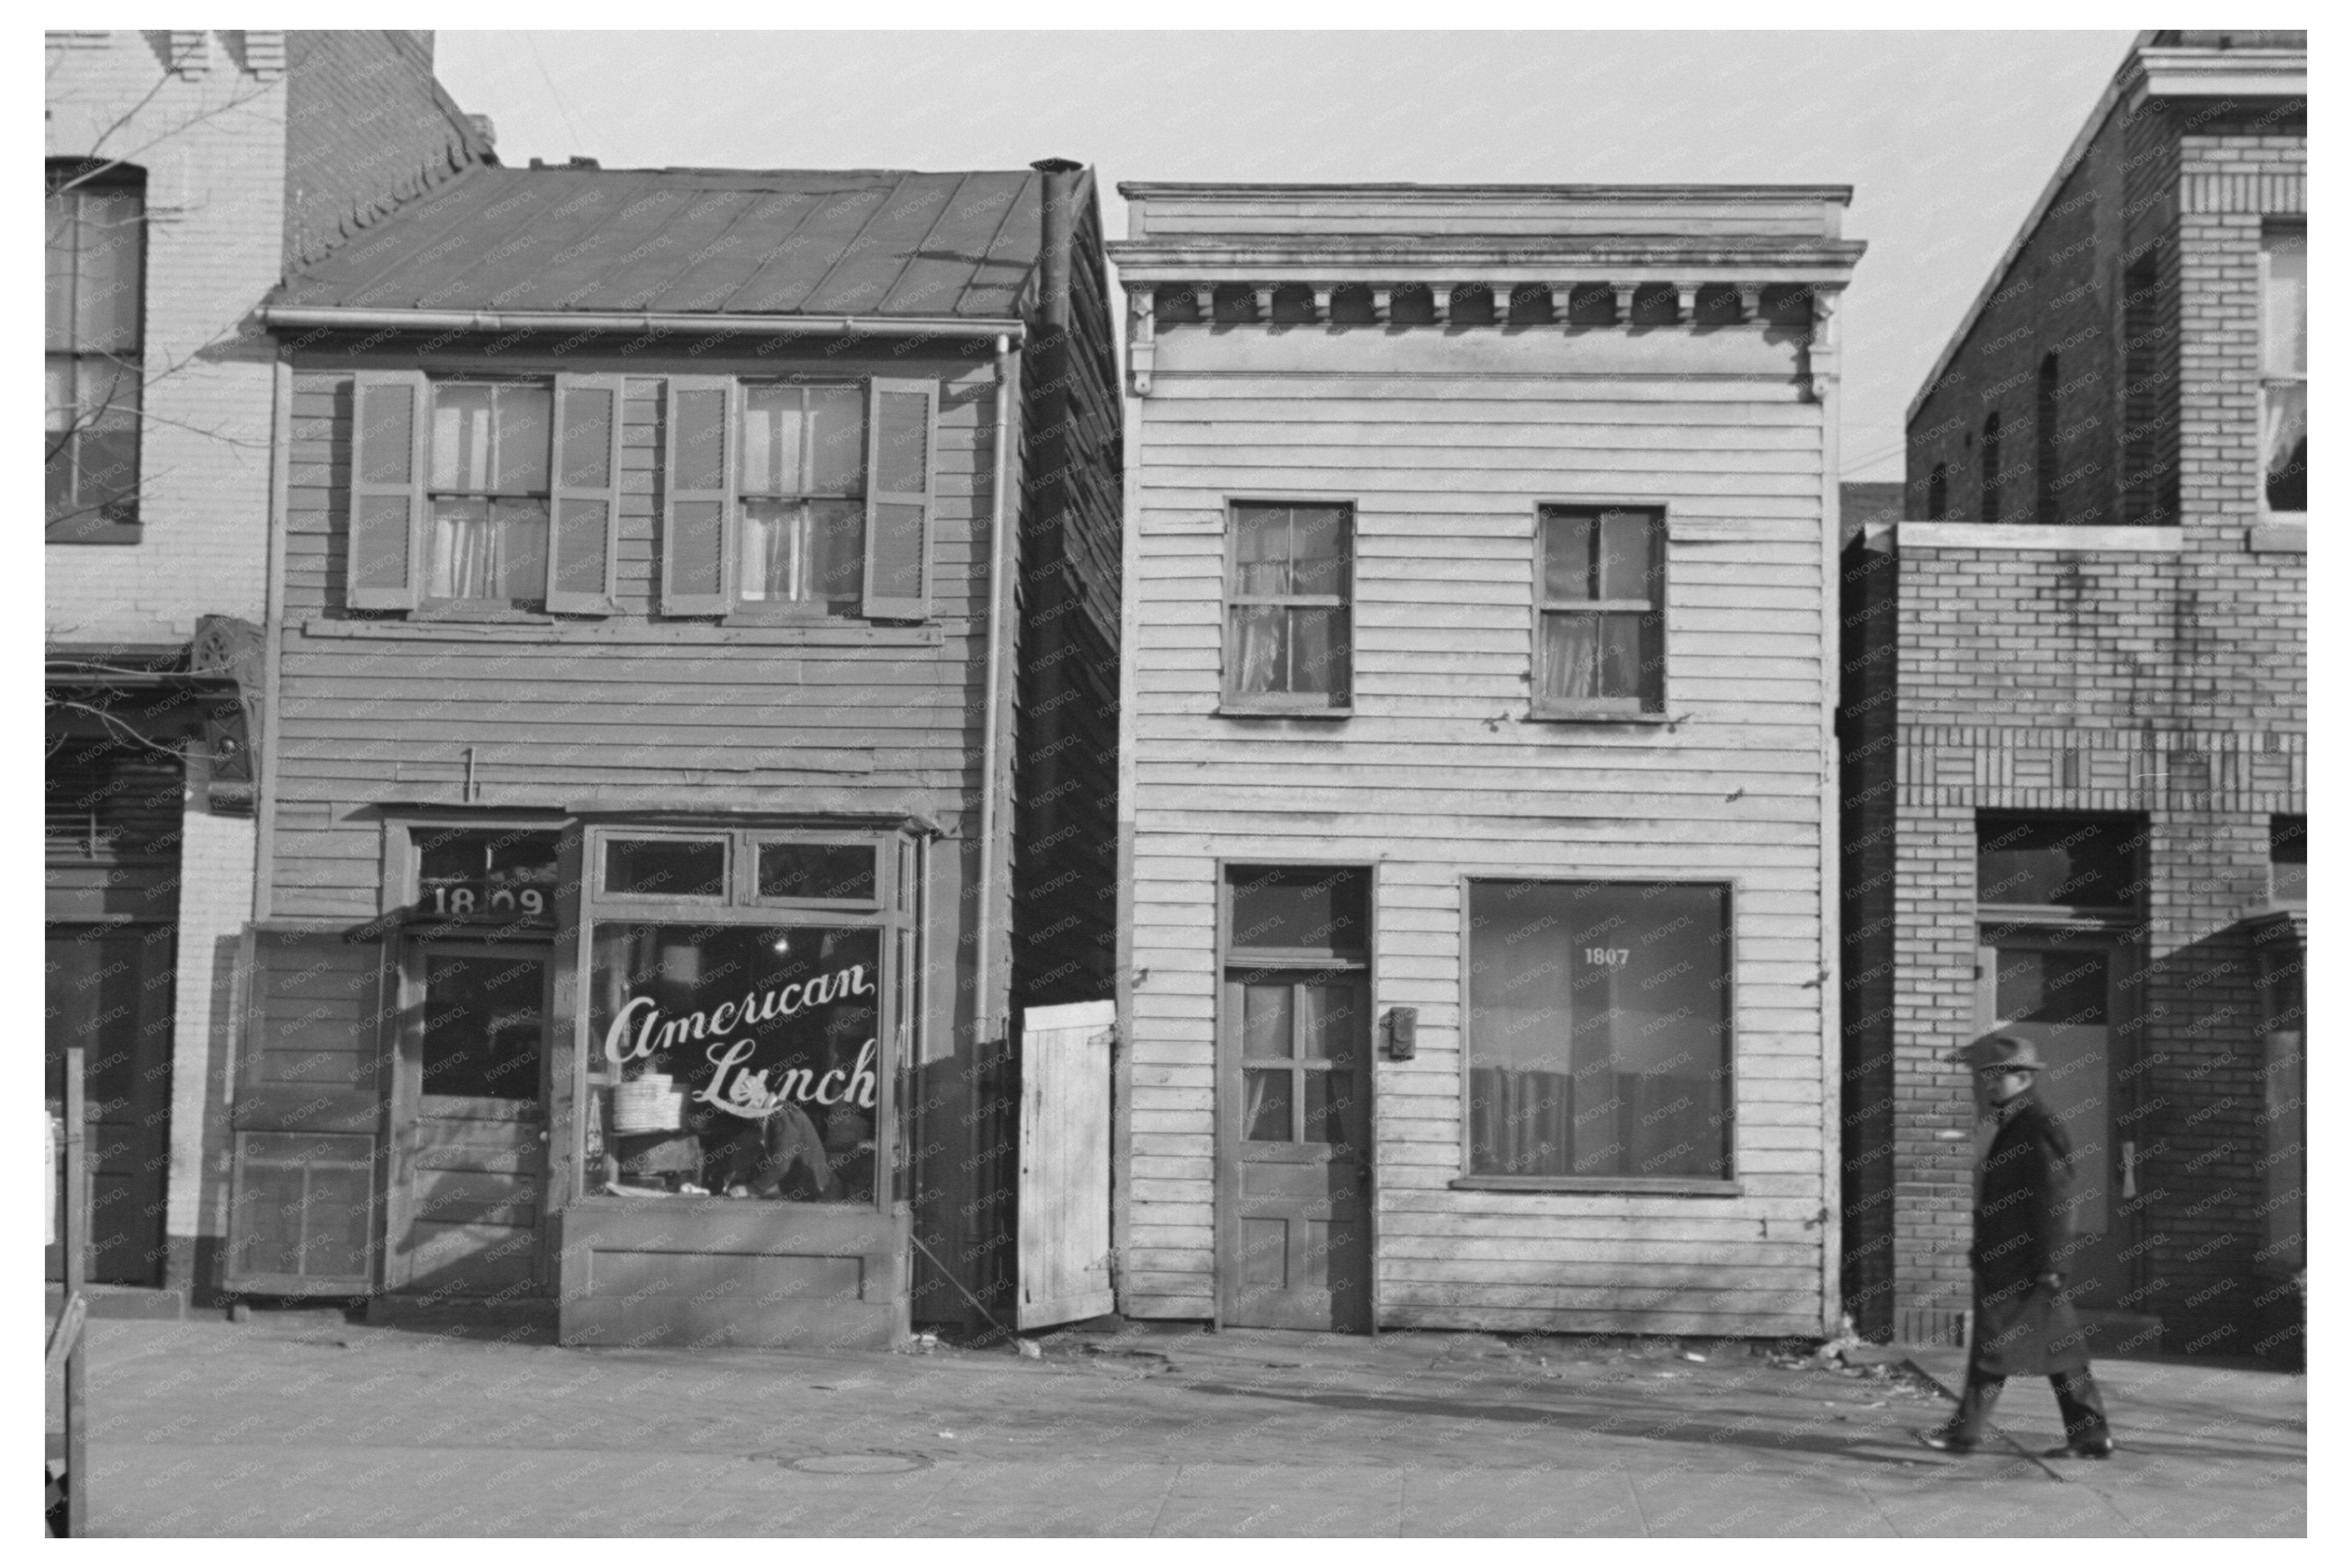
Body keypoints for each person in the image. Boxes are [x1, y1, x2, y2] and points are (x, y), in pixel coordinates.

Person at [1915, 1033, 2118, 1460]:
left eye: (1997, 1077)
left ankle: (1963, 1434)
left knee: (1993, 1349)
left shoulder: (2037, 1125)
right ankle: (2089, 1435)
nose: (1988, 1084)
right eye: (1985, 1077)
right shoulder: (2015, 1121)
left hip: (2021, 1264)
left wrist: (2052, 1263)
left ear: (2023, 1078)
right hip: (2016, 1261)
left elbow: (2056, 1198)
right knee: (2059, 1349)